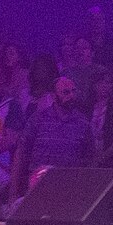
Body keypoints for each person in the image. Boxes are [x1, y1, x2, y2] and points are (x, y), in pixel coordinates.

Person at [10, 75, 97, 204]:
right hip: (38, 185)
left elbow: (90, 159)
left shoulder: (83, 123)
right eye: (66, 92)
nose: (71, 96)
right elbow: (21, 152)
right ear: (53, 95)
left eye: (73, 91)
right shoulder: (38, 119)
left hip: (69, 189)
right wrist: (14, 191)